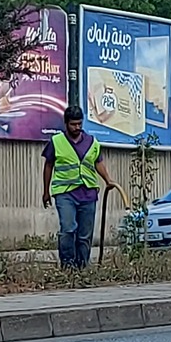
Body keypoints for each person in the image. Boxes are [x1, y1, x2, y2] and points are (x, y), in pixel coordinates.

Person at [42, 105, 106, 268]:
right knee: (68, 229)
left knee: (85, 234)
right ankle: (68, 265)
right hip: (65, 193)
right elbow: (48, 165)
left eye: (79, 124)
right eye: (73, 124)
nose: (77, 127)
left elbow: (98, 163)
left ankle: (82, 266)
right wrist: (46, 191)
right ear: (66, 123)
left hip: (88, 193)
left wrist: (108, 180)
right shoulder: (56, 142)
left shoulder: (92, 142)